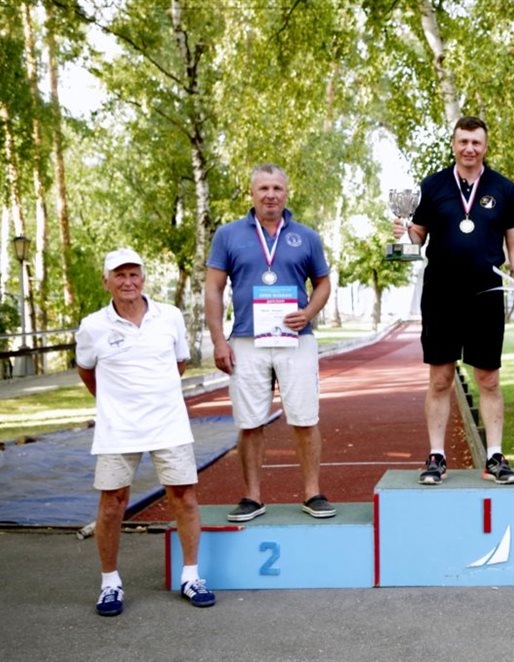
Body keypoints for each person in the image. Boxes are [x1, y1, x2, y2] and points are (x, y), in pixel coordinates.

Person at [392, 116, 514, 486]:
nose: (469, 148)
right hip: (441, 294)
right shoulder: (433, 186)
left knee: (488, 378)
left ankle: (495, 456)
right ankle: (436, 456)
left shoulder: (504, 189)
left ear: (485, 146)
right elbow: (417, 236)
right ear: (454, 144)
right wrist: (404, 232)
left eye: (476, 142)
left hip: (486, 294)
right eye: (463, 142)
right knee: (440, 377)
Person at [76, 248, 216, 616]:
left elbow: (179, 363)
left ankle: (191, 577)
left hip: (169, 425)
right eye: (119, 275)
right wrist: (115, 403)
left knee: (184, 497)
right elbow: (86, 371)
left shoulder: (170, 316)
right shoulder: (92, 326)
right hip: (118, 430)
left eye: (134, 274)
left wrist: (155, 396)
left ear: (143, 278)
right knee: (112, 505)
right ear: (106, 281)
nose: (128, 282)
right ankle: (110, 583)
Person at [205, 164, 336, 522]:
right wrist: (218, 340)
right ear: (252, 193)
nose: (270, 195)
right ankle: (252, 497)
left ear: (286, 193)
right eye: (263, 188)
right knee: (249, 422)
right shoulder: (228, 235)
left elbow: (323, 283)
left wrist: (308, 312)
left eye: (277, 188)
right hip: (247, 340)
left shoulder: (306, 236)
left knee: (305, 417)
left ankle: (312, 493)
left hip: (296, 339)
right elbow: (214, 289)